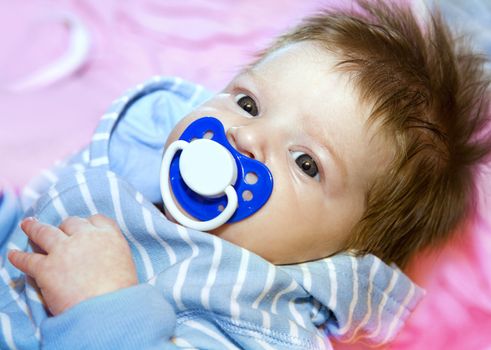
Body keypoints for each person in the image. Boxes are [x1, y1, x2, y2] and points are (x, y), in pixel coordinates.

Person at [1, 0, 490, 349]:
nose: (247, 137)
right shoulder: (128, 170)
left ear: (346, 253)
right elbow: (24, 226)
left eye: (306, 163)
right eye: (248, 103)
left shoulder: (264, 324)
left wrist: (103, 307)